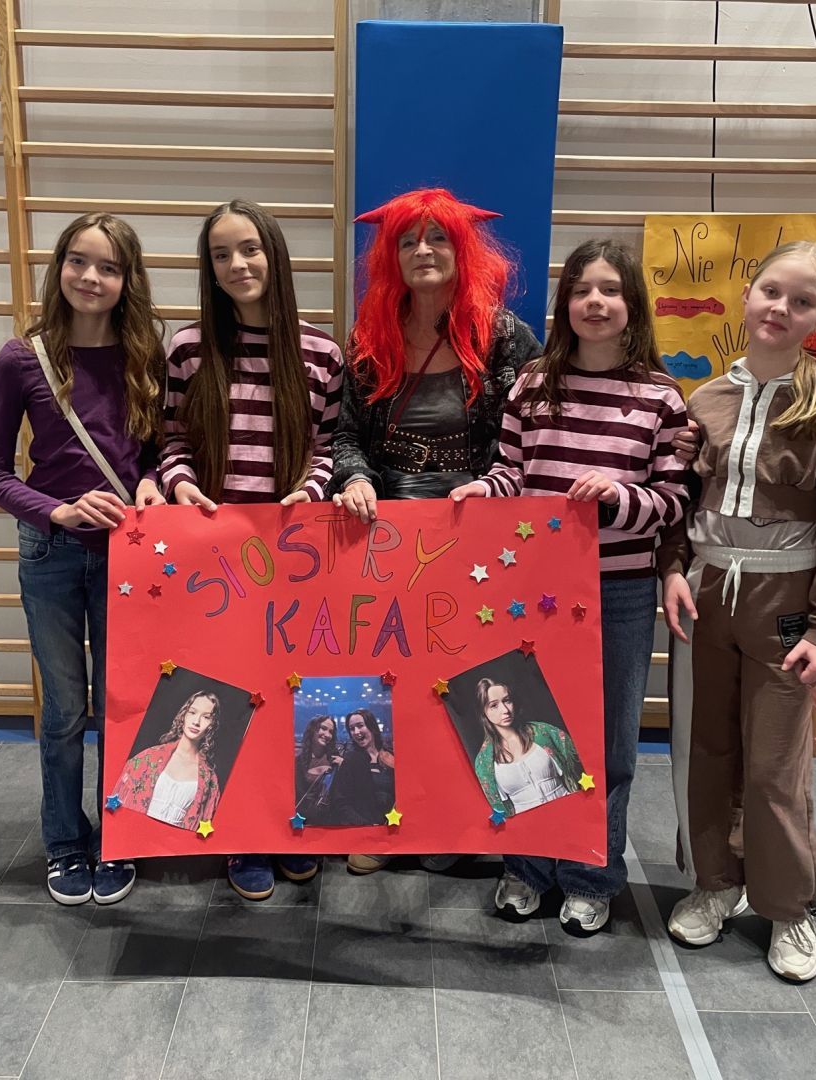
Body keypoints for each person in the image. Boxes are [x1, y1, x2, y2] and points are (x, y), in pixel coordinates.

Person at [452, 239, 689, 933]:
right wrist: (484, 490)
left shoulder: (661, 397)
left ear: (631, 304)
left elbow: (673, 501)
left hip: (618, 594)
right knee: (524, 730)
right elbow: (511, 471)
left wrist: (617, 496)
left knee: (609, 743)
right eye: (582, 289)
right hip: (534, 590)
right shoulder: (532, 384)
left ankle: (592, 874)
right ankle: (527, 866)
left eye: (610, 290)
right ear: (565, 304)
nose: (595, 302)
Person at [658, 241, 816, 982]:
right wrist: (672, 568)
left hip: (785, 606)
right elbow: (679, 502)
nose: (781, 308)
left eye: (802, 301)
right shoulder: (705, 401)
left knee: (776, 765)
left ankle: (787, 905)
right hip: (707, 596)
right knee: (707, 751)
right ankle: (715, 883)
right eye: (771, 291)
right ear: (747, 296)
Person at [328, 186, 543, 873]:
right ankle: (388, 823)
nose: (422, 251)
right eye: (407, 241)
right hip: (385, 536)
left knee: (468, 684)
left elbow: (538, 433)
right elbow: (345, 436)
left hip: (474, 539)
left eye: (438, 238)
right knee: (389, 684)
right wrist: (353, 477)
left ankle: (455, 822)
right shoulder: (371, 336)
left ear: (463, 249)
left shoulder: (506, 338)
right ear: (391, 256)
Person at [0, 212, 166, 905]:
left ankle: (119, 835)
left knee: (122, 704)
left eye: (109, 267)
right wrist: (55, 510)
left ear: (127, 280)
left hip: (128, 556)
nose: (91, 277)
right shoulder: (21, 358)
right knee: (62, 710)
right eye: (79, 261)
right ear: (59, 267)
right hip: (51, 552)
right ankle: (64, 840)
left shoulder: (146, 355)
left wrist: (151, 482)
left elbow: (157, 452)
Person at [159, 198, 343, 901]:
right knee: (230, 695)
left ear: (275, 255)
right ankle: (241, 832)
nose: (237, 264)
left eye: (250, 249)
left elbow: (328, 448)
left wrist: (310, 489)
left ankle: (290, 823)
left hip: (295, 556)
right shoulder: (188, 349)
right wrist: (180, 486)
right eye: (221, 254)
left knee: (293, 693)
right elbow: (171, 443)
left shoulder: (322, 353)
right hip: (215, 558)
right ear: (208, 269)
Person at [112, 691, 221, 829]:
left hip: (176, 840)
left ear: (212, 725)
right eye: (192, 712)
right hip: (135, 832)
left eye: (206, 717)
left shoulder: (209, 780)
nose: (196, 722)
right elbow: (118, 801)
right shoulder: (148, 757)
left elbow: (205, 825)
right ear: (184, 715)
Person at [473, 678, 582, 816]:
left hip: (571, 812)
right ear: (483, 712)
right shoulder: (483, 762)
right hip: (529, 825)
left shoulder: (545, 732)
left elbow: (579, 770)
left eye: (507, 700)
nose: (505, 710)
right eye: (494, 705)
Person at [330, 710, 396, 826]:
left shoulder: (391, 754)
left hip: (394, 825)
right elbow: (340, 802)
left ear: (372, 726)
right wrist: (364, 825)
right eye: (352, 729)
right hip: (366, 828)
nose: (356, 732)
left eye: (360, 726)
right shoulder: (350, 760)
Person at [294, 714, 343, 825]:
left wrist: (344, 768)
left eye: (331, 732)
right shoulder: (298, 762)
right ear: (313, 730)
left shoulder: (335, 759)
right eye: (323, 728)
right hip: (304, 819)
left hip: (330, 820)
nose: (327, 735)